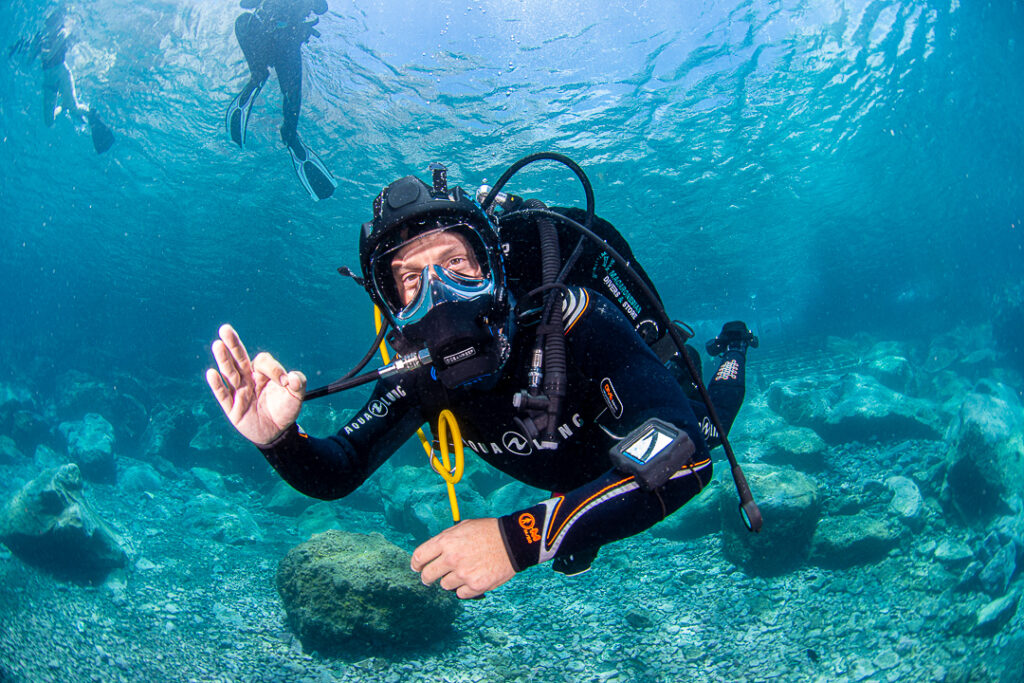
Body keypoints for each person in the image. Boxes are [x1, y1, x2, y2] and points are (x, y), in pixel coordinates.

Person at [205, 163, 757, 599]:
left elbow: (684, 458)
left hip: (645, 430)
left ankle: (734, 347)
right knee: (584, 522)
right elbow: (338, 470)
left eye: (457, 265)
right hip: (574, 483)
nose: (439, 293)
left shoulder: (571, 319)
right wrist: (277, 439)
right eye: (411, 280)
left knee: (709, 428)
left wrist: (517, 539)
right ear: (390, 304)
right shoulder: (419, 374)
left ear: (492, 267)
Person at [225, 0, 337, 201]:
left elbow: (321, 8)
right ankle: (289, 131)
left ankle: (259, 78)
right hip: (275, 38)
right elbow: (245, 4)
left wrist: (299, 23)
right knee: (244, 21)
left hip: (281, 41)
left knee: (292, 94)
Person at [9, 2, 115, 154]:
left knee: (70, 110)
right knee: (52, 119)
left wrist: (38, 46)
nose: (48, 23)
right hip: (53, 80)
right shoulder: (45, 37)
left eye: (52, 20)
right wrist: (32, 47)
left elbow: (47, 55)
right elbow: (29, 61)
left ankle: (89, 114)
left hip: (60, 75)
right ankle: (71, 109)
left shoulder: (60, 33)